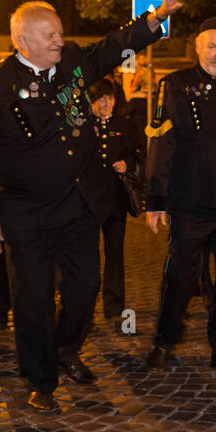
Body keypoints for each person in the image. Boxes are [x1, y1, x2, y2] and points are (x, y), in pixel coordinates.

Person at [0, 0, 181, 412]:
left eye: (61, 33)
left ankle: (67, 349)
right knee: (33, 301)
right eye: (51, 36)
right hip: (25, 213)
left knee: (84, 290)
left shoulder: (73, 65)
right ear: (22, 40)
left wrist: (155, 19)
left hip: (79, 207)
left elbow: (113, 46)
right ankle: (40, 380)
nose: (60, 41)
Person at [144, 16, 216, 373]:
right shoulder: (175, 85)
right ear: (197, 47)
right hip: (190, 203)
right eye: (212, 46)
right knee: (180, 278)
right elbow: (161, 143)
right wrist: (156, 200)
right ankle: (164, 342)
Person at [89, 77, 144, 324]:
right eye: (100, 99)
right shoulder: (80, 126)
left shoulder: (125, 125)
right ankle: (83, 304)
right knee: (86, 256)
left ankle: (114, 304)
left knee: (115, 253)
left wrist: (128, 164)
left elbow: (138, 153)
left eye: (109, 98)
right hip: (87, 203)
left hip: (115, 201)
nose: (105, 104)